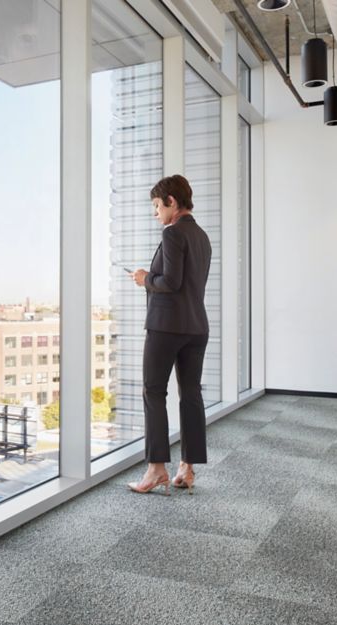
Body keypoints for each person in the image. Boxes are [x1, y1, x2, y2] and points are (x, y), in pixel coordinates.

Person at [127, 174, 212, 495]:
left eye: (156, 206)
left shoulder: (173, 232)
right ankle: (187, 469)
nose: (155, 213)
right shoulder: (202, 236)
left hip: (167, 327)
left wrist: (145, 277)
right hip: (197, 327)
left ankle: (155, 469)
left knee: (153, 393)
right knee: (190, 395)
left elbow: (171, 282)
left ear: (171, 202)